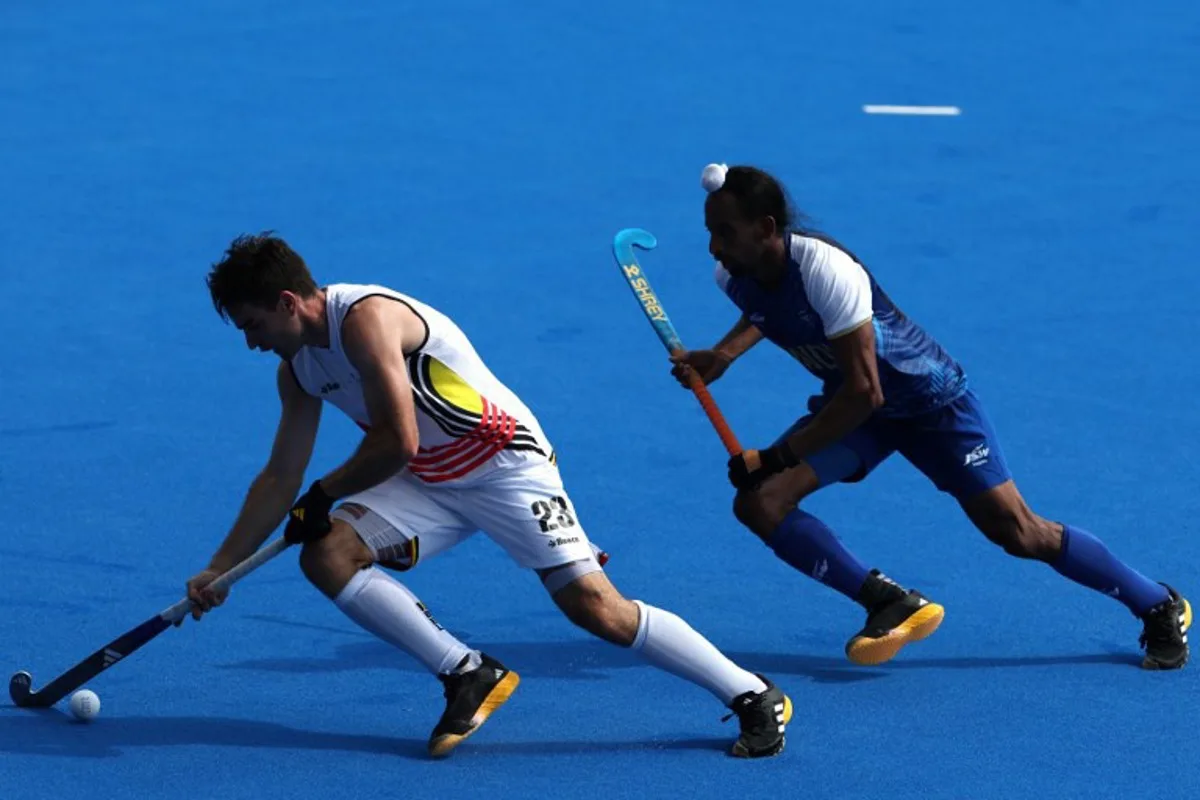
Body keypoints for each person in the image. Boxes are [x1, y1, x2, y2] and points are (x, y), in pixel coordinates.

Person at [186, 232, 793, 759]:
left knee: (596, 609)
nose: (252, 343)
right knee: (327, 555)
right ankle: (468, 674)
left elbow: (395, 441)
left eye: (255, 326)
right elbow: (278, 477)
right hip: (428, 478)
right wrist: (222, 567)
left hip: (506, 465)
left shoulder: (364, 320)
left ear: (289, 302)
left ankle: (752, 692)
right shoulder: (297, 370)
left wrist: (326, 491)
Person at [669, 163, 1191, 670]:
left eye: (725, 232)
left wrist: (775, 455)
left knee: (1018, 532)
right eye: (710, 231)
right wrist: (724, 355)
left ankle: (1157, 604)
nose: (714, 246)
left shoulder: (828, 271)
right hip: (861, 408)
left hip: (928, 404)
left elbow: (864, 393)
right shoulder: (734, 274)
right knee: (762, 501)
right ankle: (887, 602)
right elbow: (769, 308)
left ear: (766, 229)